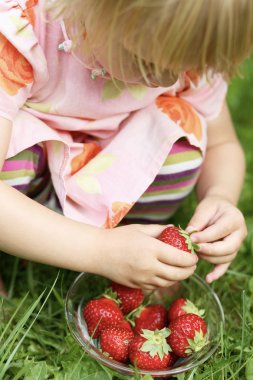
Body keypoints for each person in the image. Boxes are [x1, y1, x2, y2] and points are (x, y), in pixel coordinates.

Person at [0, 0, 251, 293]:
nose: (166, 79)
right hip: (30, 172)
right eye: (144, 62)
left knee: (185, 132)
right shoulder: (21, 33)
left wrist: (220, 196)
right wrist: (98, 251)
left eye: (189, 67)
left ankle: (138, 248)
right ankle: (56, 239)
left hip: (98, 167)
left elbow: (222, 144)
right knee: (12, 164)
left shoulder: (179, 47)